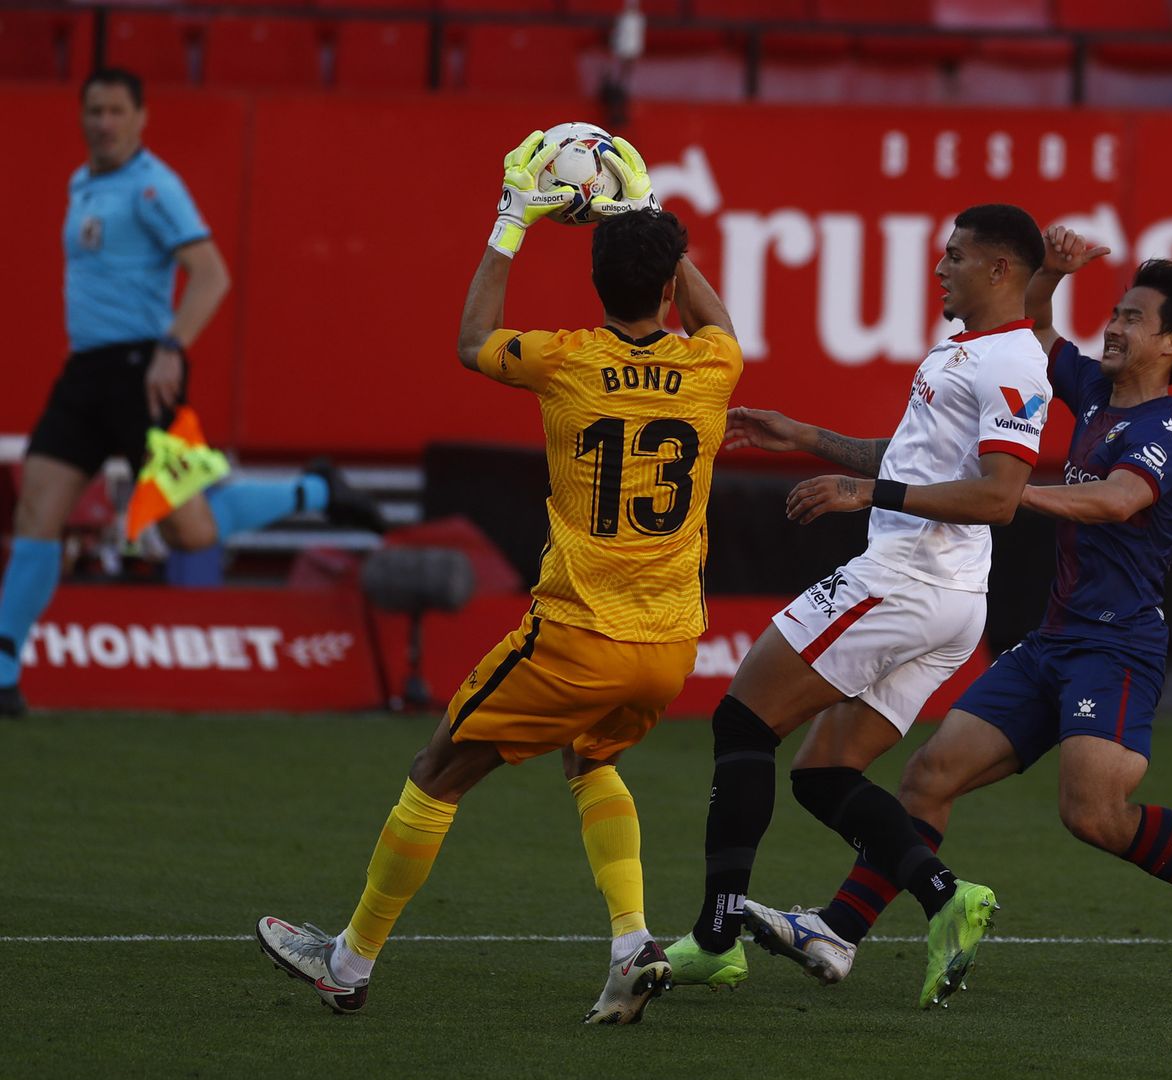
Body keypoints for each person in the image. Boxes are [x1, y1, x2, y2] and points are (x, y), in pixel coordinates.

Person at [257, 130, 742, 1026]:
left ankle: (348, 963)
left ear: (598, 286)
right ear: (671, 284)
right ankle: (632, 940)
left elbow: (472, 338)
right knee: (591, 755)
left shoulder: (566, 360)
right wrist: (648, 220)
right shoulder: (713, 366)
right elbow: (715, 320)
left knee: (435, 769)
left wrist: (513, 220)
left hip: (577, 634)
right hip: (672, 646)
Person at [744, 228, 1172, 1004]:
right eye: (1115, 311)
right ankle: (837, 931)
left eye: (1133, 319)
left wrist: (1006, 495)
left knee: (1094, 814)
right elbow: (1034, 337)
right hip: (1052, 641)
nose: (1114, 326)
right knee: (929, 777)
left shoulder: (1169, 433)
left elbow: (1115, 500)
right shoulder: (1098, 393)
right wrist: (1054, 279)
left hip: (1118, 649)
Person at [665, 204, 1054, 1010]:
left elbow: (1000, 496)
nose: (939, 268)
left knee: (743, 722)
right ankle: (946, 893)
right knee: (822, 773)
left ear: (999, 271)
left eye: (955, 256)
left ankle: (713, 938)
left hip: (905, 579)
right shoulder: (964, 349)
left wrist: (861, 492)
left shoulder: (1015, 364)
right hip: (947, 598)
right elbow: (913, 456)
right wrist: (804, 435)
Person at [0, 68, 381, 718]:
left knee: (192, 532)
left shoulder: (155, 187)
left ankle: (318, 490)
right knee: (37, 508)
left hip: (143, 375)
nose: (104, 123)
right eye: (95, 111)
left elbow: (211, 275)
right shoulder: (82, 182)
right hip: (84, 377)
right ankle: (4, 671)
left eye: (117, 111)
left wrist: (170, 348)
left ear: (141, 117)